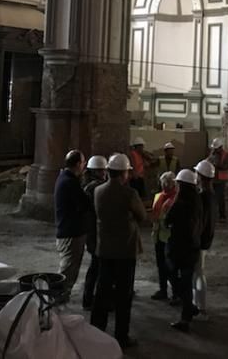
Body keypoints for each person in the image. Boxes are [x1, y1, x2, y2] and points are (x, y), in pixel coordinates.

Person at [91, 153, 147, 350]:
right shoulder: (129, 194)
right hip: (125, 251)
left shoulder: (98, 191)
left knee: (102, 292)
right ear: (124, 173)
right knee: (124, 296)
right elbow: (142, 217)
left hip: (105, 249)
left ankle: (96, 332)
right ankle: (121, 337)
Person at [165, 169, 203, 333]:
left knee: (179, 280)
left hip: (179, 248)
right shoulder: (198, 201)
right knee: (186, 281)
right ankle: (190, 308)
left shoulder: (179, 204)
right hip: (193, 247)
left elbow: (167, 220)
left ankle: (185, 317)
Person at [53, 149, 87, 300]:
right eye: (83, 163)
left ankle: (60, 295)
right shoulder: (70, 182)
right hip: (70, 232)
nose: (84, 166)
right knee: (68, 269)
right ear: (78, 164)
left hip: (68, 230)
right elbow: (83, 203)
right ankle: (57, 297)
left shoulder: (64, 178)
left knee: (69, 267)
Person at [81, 155, 108, 310]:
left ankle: (89, 298)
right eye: (101, 170)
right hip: (96, 232)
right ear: (95, 171)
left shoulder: (88, 186)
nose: (104, 172)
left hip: (92, 232)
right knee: (97, 267)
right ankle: (90, 299)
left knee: (96, 266)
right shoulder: (94, 188)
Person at [193, 159, 217, 319]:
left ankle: (200, 308)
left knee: (198, 274)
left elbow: (201, 222)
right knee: (198, 273)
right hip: (206, 239)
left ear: (201, 176)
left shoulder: (203, 197)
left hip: (200, 240)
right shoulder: (211, 195)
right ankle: (197, 305)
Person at [150, 171, 179, 302]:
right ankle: (163, 290)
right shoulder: (160, 197)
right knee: (161, 265)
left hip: (169, 237)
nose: (165, 186)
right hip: (158, 235)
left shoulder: (176, 200)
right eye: (164, 183)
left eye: (167, 183)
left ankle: (176, 293)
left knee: (171, 268)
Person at [208, 138, 228, 221]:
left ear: (220, 147)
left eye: (216, 148)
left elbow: (227, 166)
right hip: (213, 178)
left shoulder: (226, 155)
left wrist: (218, 165)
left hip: (221, 180)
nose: (215, 149)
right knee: (212, 197)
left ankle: (222, 215)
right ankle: (212, 214)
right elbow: (208, 161)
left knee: (220, 197)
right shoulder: (213, 154)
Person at [128, 137, 157, 201]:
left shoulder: (141, 155)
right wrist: (134, 174)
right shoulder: (133, 154)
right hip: (134, 179)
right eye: (141, 146)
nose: (142, 148)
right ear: (137, 146)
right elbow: (132, 165)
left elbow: (150, 160)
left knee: (141, 196)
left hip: (140, 178)